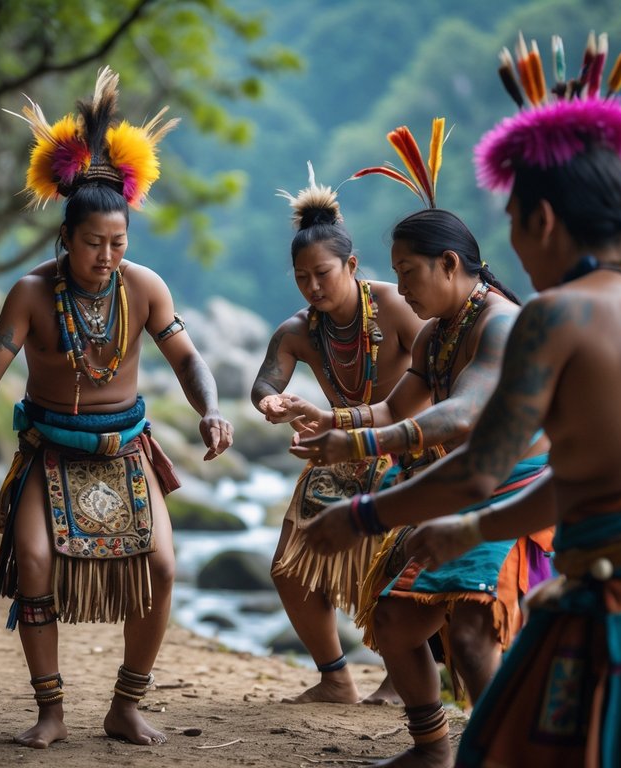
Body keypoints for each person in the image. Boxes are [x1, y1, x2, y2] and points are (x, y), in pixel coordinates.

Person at [305, 33, 621, 767]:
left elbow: (476, 467)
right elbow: (598, 483)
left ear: (543, 222)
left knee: (499, 750)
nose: (515, 258)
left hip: (619, 623)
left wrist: (362, 515)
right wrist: (474, 530)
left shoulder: (552, 317)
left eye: (513, 230)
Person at [0, 67, 232, 748]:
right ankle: (49, 711)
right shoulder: (29, 293)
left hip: (124, 450)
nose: (106, 257)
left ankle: (124, 705)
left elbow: (189, 359)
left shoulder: (144, 288)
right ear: (65, 238)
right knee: (35, 560)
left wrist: (210, 407)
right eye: (92, 243)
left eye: (118, 244)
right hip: (49, 448)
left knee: (162, 568)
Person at [249, 165, 423, 704]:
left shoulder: (396, 305)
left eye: (323, 273)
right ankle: (336, 677)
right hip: (338, 454)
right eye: (303, 278)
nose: (314, 286)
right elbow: (264, 381)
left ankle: (400, 681)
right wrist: (272, 403)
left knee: (401, 569)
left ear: (351, 265)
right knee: (288, 569)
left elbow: (439, 373)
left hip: (407, 450)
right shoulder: (299, 331)